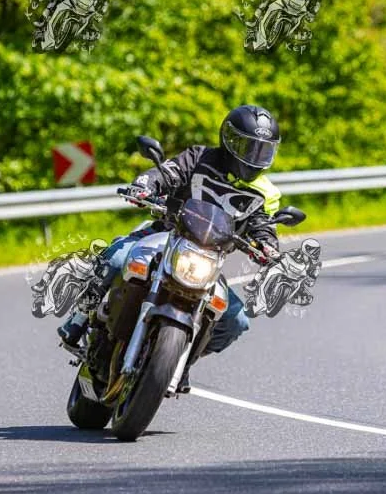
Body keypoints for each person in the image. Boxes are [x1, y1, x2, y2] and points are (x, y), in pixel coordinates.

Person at [58, 104, 285, 391]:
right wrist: (145, 184)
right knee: (117, 258)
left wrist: (268, 247)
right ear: (229, 140)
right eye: (248, 148)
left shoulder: (263, 192)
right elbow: (168, 173)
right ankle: (79, 318)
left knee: (236, 321)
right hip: (166, 236)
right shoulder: (200, 157)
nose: (254, 157)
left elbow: (263, 225)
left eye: (263, 151)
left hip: (207, 259)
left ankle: (180, 358)